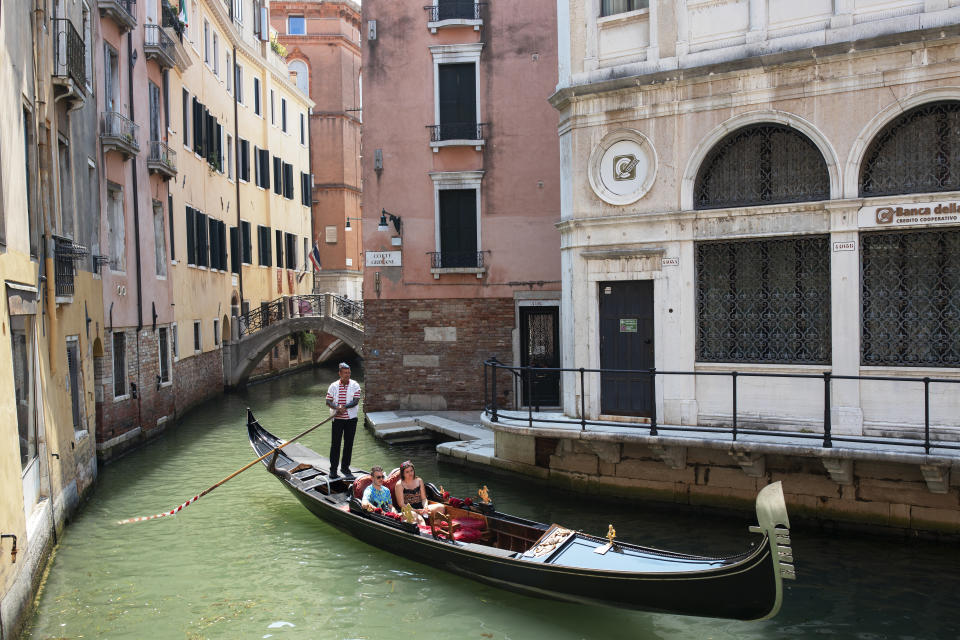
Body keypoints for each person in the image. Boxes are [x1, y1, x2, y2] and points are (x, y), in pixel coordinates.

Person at [326, 362, 362, 479]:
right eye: (345, 373)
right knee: (335, 445)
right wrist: (337, 408)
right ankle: (333, 470)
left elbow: (356, 401)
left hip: (351, 420)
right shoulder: (333, 386)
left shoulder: (355, 385)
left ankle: (345, 468)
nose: (347, 375)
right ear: (340, 373)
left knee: (348, 444)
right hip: (337, 420)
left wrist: (344, 407)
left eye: (349, 373)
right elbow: (328, 401)